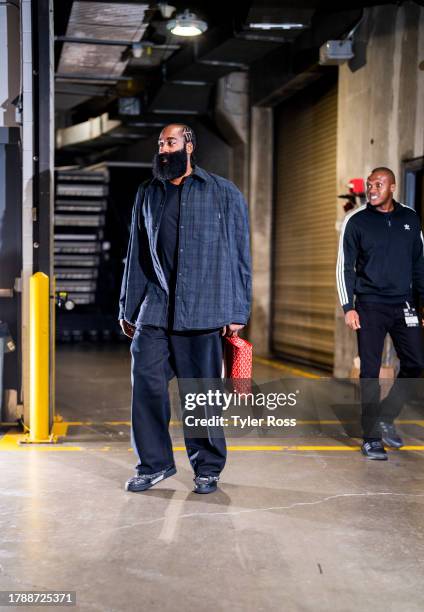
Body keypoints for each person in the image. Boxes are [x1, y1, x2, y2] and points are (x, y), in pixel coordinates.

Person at [119, 124, 252, 493]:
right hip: (156, 307)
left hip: (205, 307)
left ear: (189, 146)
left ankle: (207, 466)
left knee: (200, 395)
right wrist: (127, 308)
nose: (164, 148)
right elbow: (137, 255)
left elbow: (240, 255)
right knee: (145, 383)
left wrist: (238, 311)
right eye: (160, 143)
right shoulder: (148, 193)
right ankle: (154, 464)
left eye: (171, 142)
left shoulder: (223, 192)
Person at [336, 167, 424, 460]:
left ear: (393, 187)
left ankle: (387, 415)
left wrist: (421, 304)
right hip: (370, 305)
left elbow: (419, 265)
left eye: (379, 184)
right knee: (370, 372)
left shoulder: (410, 218)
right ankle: (371, 436)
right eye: (370, 184)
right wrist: (349, 307)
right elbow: (344, 268)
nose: (372, 189)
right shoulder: (356, 221)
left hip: (404, 305)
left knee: (416, 365)